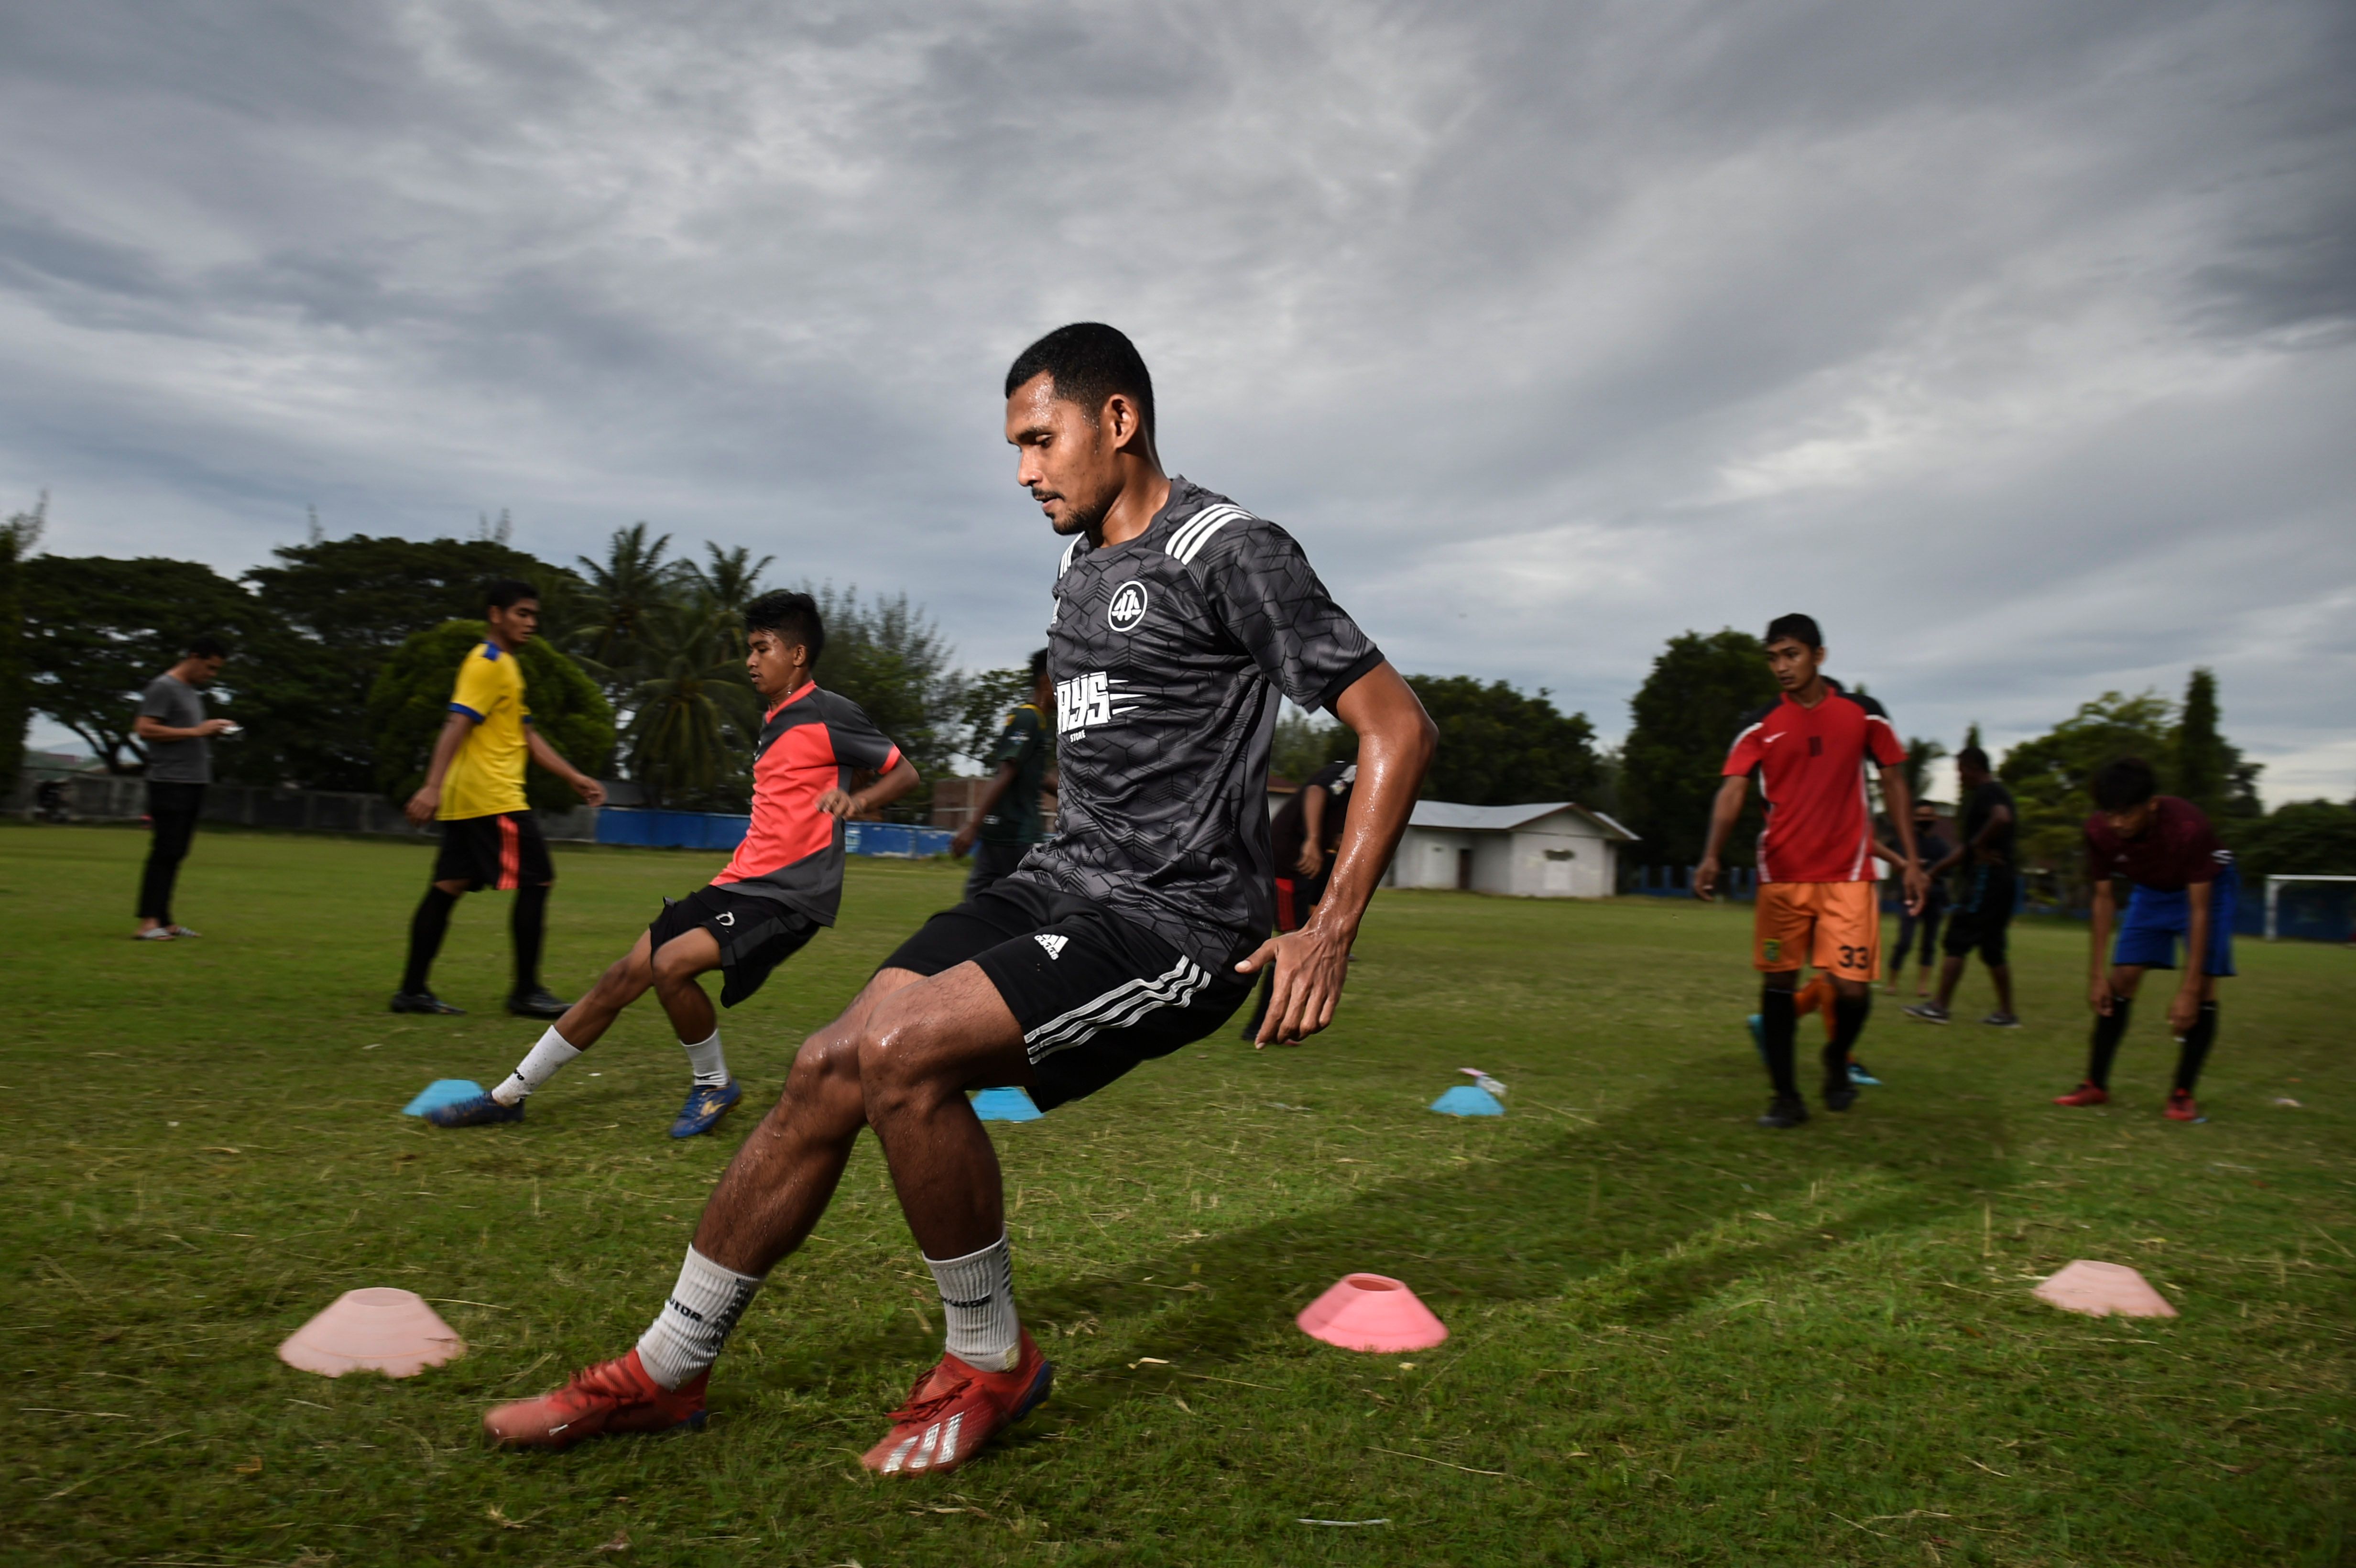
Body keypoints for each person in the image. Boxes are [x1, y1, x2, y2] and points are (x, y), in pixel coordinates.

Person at [481, 321, 1436, 1474]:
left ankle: (991, 1357)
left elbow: (1396, 724)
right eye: (1015, 446)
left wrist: (1328, 927)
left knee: (898, 1051)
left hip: (1176, 923)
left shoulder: (1229, 548)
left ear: (1119, 420)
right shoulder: (1081, 570)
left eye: (1041, 439)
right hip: (1054, 888)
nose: (1025, 471)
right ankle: (665, 1369)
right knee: (829, 1064)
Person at [425, 591, 917, 1137]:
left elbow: (902, 771)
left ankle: (713, 1085)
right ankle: (509, 1095)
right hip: (737, 882)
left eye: (761, 649)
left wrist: (860, 801)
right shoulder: (774, 718)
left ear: (797, 654)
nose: (750, 661)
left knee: (671, 965)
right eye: (748, 649)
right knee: (622, 976)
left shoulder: (830, 710)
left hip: (787, 895)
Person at [1697, 614, 1926, 1129]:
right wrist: (1711, 853)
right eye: (1773, 657)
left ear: (1818, 656)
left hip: (1847, 877)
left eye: (1791, 655)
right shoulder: (1758, 724)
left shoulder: (1864, 715)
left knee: (1851, 991)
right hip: (1781, 879)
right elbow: (1732, 788)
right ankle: (1785, 1097)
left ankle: (1835, 1058)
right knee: (1778, 984)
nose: (1781, 666)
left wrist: (1911, 859)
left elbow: (1893, 783)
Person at [390, 579, 605, 1018]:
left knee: (447, 887)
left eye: (534, 616)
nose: (531, 623)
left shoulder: (506, 665)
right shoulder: (487, 663)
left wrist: (571, 776)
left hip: (472, 797)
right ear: (495, 614)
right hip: (492, 796)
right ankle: (526, 992)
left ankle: (411, 992)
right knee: (538, 879)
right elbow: (456, 724)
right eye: (522, 613)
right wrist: (431, 785)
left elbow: (523, 734)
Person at [2055, 757, 2235, 1121]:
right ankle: (2096, 1084)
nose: (2117, 824)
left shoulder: (2189, 827)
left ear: (2151, 805)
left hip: (2206, 890)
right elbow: (2103, 899)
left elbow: (2199, 910)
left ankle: (2183, 1093)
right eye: (2109, 814)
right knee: (2121, 980)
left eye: (2126, 814)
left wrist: (2187, 989)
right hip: (2152, 891)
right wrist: (2095, 976)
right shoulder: (2099, 832)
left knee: (2202, 989)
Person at [1242, 757, 1357, 1038]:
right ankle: (1261, 1027)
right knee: (1293, 943)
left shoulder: (1360, 783)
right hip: (1287, 864)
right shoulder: (1353, 771)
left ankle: (1271, 1024)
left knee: (1298, 940)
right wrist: (1312, 841)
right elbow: (1316, 792)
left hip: (1301, 868)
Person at [1904, 748, 2019, 1026]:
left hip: (1986, 880)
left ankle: (1940, 1007)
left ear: (1971, 768)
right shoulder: (1997, 793)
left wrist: (1980, 844)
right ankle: (2007, 1013)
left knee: (1958, 937)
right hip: (2003, 880)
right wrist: (1936, 871)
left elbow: (2001, 818)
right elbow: (1966, 850)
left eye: (1960, 771)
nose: (1959, 777)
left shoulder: (1988, 793)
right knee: (1992, 948)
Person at [132, 635, 234, 940]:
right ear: (193, 656)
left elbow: (187, 734)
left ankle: (166, 920)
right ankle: (148, 923)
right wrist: (196, 731)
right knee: (165, 851)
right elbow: (145, 729)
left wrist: (210, 733)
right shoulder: (163, 687)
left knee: (177, 852)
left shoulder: (190, 692)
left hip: (192, 782)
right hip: (170, 782)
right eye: (210, 668)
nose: (212, 675)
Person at [949, 649, 1052, 899]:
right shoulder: (1027, 718)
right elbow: (1006, 772)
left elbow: (1039, 777)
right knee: (1028, 906)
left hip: (1001, 834)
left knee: (979, 904)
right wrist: (972, 825)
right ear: (1046, 681)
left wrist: (1078, 800)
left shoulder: (1037, 722)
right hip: (1015, 836)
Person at [1885, 802, 1951, 995]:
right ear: (1914, 819)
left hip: (1934, 899)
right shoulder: (1907, 842)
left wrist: (1928, 871)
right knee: (1905, 941)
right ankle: (1892, 983)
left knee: (1929, 943)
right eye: (1920, 816)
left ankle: (1922, 986)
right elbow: (1899, 864)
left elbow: (1947, 872)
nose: (1925, 820)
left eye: (1928, 816)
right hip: (1910, 898)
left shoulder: (1942, 846)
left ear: (1936, 819)